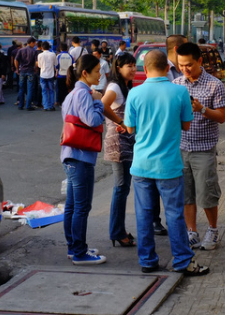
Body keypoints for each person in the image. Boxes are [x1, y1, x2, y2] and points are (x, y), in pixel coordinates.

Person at [125, 49, 209, 276]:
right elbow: (186, 126)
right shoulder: (180, 92)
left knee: (143, 214)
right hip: (169, 166)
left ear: (145, 69)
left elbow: (130, 128)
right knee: (174, 214)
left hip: (141, 164)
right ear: (166, 68)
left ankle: (148, 260)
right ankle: (182, 261)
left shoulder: (134, 93)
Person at [172, 42, 225, 251]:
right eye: (181, 65)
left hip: (203, 149)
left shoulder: (215, 85)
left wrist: (202, 109)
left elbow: (222, 117)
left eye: (189, 65)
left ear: (200, 62)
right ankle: (191, 232)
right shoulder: (176, 84)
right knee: (186, 194)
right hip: (181, 148)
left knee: (206, 193)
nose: (185, 69)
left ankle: (213, 230)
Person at [61, 54, 106, 265]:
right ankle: (79, 252)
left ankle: (74, 247)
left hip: (71, 155)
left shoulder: (72, 93)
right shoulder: (84, 94)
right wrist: (99, 103)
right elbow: (92, 120)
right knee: (81, 207)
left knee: (72, 205)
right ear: (85, 73)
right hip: (81, 157)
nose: (101, 74)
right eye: (97, 71)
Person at [102, 52, 138, 248]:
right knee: (120, 188)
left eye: (133, 65)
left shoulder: (125, 86)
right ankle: (117, 231)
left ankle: (118, 230)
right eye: (128, 66)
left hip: (126, 143)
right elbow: (103, 105)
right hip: (117, 143)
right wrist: (120, 121)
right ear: (118, 68)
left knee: (123, 188)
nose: (132, 69)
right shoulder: (115, 86)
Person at [15, 37, 39, 111]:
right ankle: (28, 105)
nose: (35, 44)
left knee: (21, 88)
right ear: (31, 42)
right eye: (34, 43)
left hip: (22, 71)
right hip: (30, 71)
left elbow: (16, 60)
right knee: (30, 89)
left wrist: (17, 69)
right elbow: (36, 63)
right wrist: (35, 69)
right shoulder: (34, 51)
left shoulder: (21, 50)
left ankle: (20, 105)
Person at [39, 41, 58, 111]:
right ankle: (51, 106)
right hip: (50, 75)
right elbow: (56, 64)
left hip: (43, 75)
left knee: (44, 91)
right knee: (51, 91)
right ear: (49, 47)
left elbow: (39, 65)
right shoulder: (53, 54)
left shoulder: (40, 55)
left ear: (42, 47)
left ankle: (45, 106)